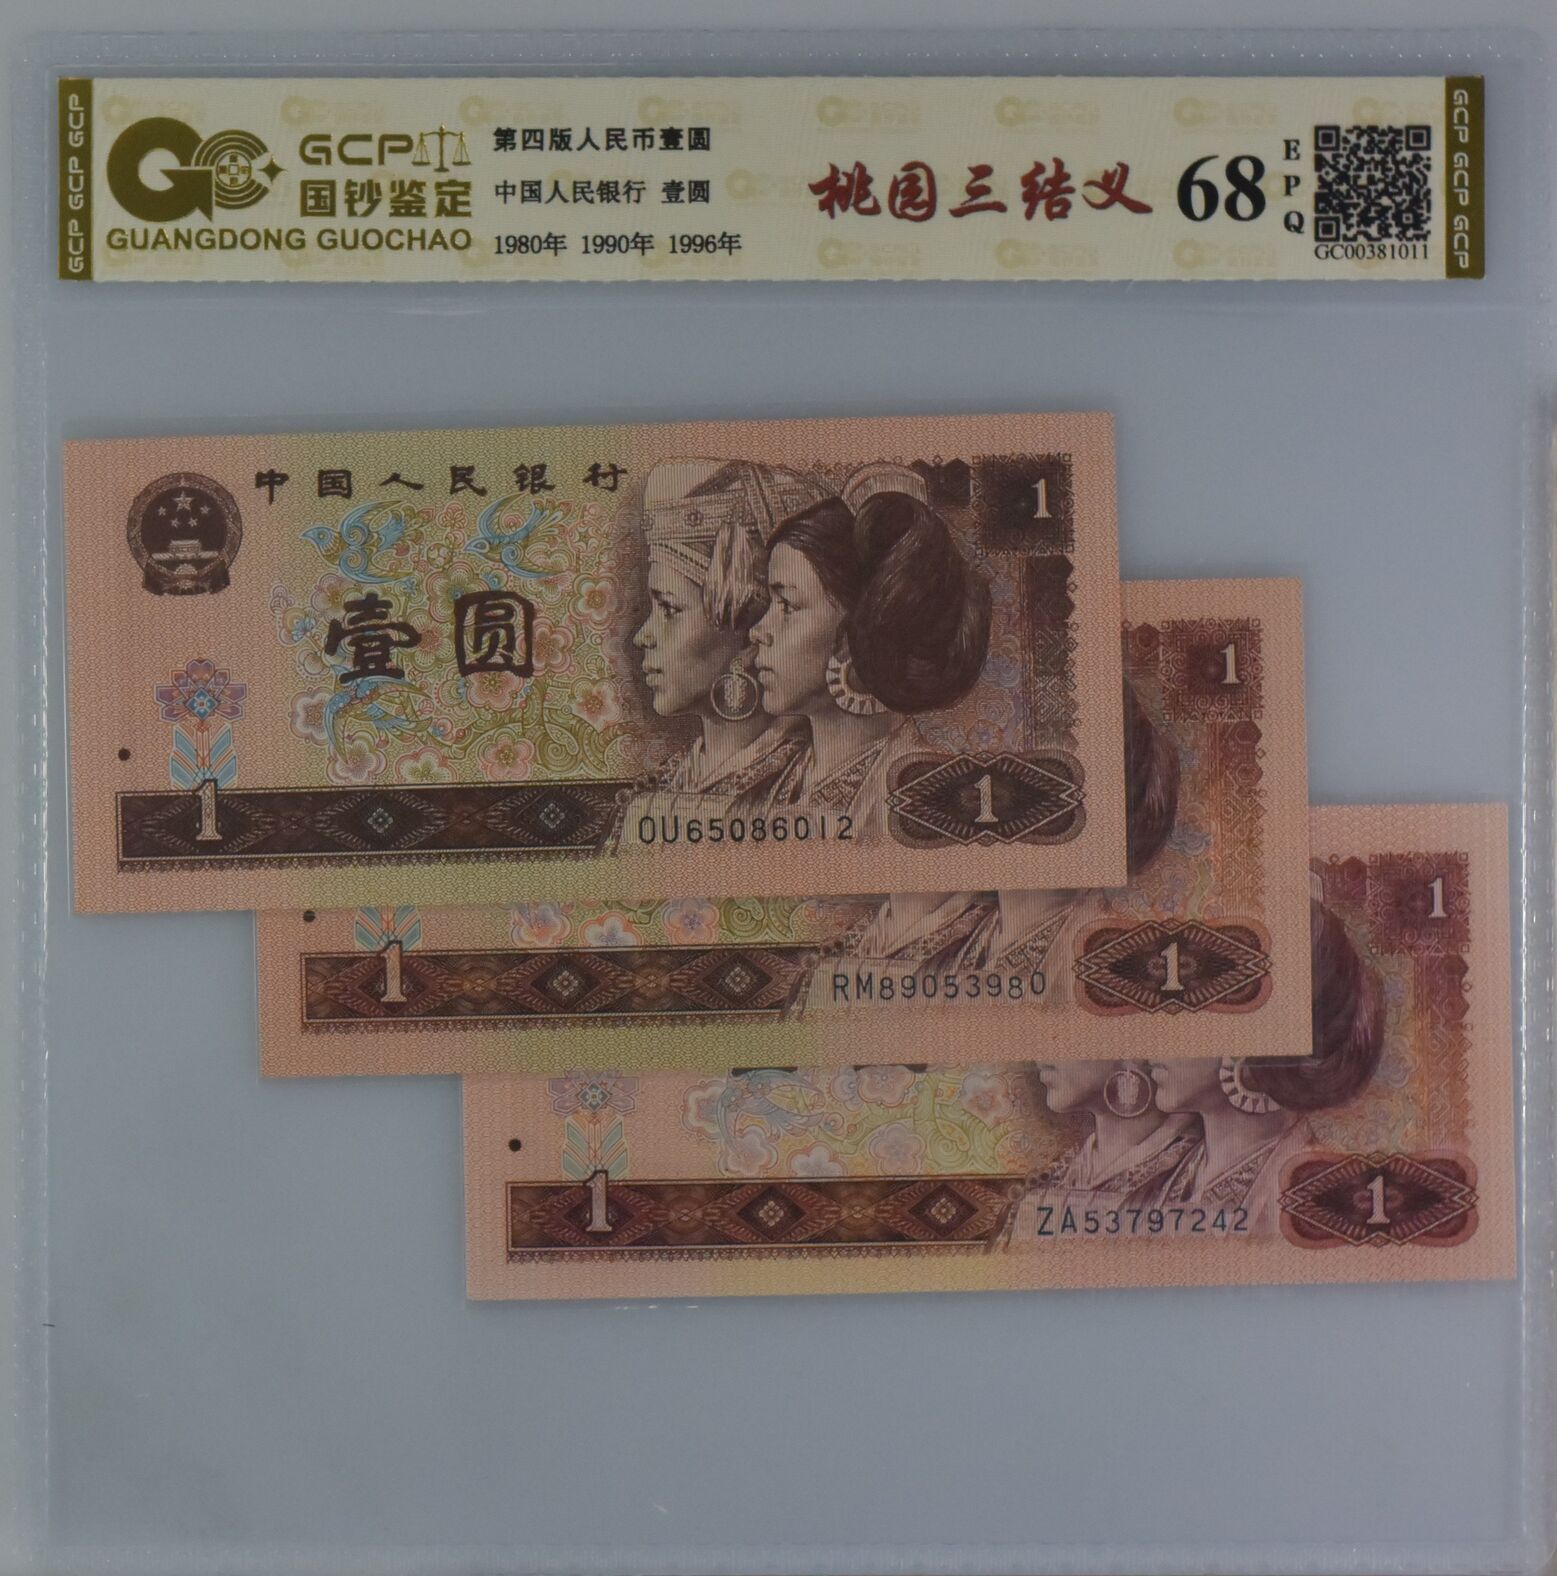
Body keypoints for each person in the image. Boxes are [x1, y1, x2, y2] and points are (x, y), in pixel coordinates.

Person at [748, 465, 992, 838]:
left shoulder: (929, 801)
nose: (757, 631)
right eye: (770, 604)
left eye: (788, 606)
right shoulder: (762, 786)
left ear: (859, 632)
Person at [1147, 897, 1386, 1231]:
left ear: (1260, 1032)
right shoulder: (1160, 1181)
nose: (1153, 1031)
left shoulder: (1316, 1203)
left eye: (1184, 1004)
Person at [620, 459, 834, 827]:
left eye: (669, 608)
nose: (643, 637)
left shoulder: (810, 791)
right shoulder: (666, 784)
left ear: (749, 630)